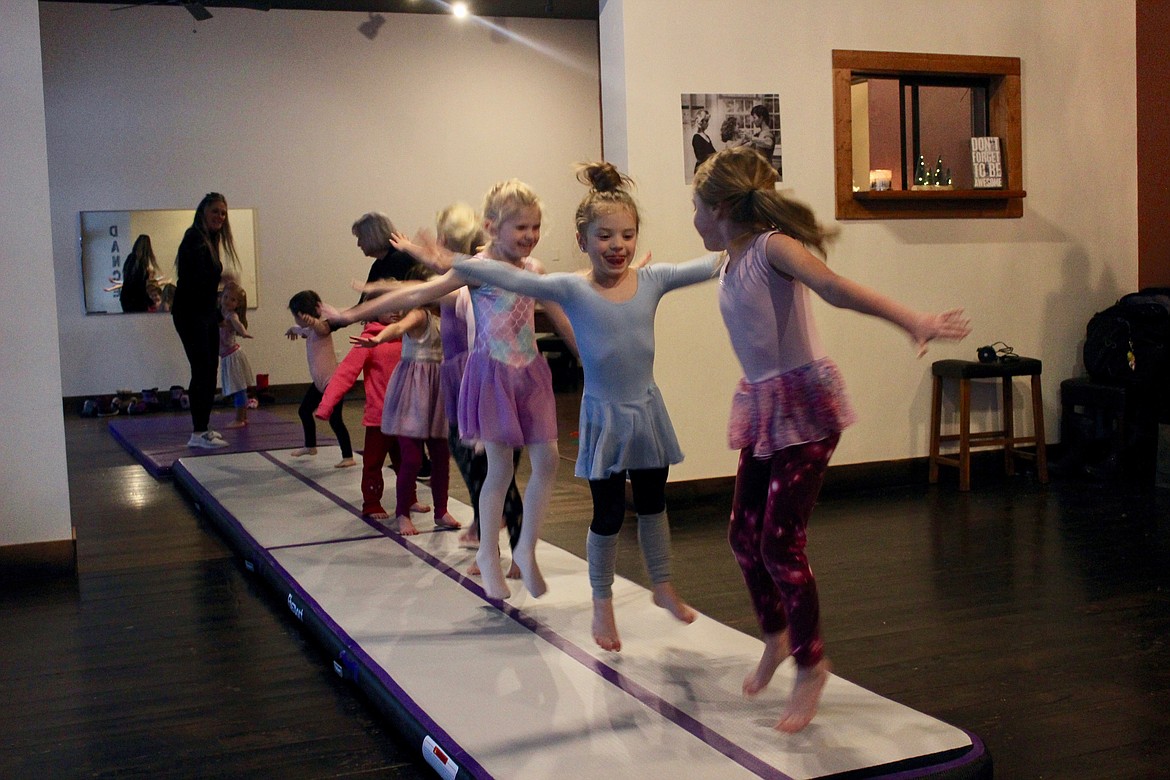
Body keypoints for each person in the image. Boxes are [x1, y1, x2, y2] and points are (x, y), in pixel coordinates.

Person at [691, 147, 971, 732]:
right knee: (743, 535)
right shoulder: (727, 261)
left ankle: (811, 664)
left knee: (779, 544)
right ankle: (775, 636)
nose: (692, 219)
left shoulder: (771, 247)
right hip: (765, 406)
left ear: (718, 208)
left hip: (806, 407)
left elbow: (834, 287)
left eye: (695, 207)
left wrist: (911, 319)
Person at [428, 162, 721, 652]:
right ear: (582, 240)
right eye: (604, 236)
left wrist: (757, 235)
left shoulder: (651, 280)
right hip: (597, 414)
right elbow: (490, 274)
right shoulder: (570, 285)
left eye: (627, 235)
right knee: (607, 513)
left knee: (653, 502)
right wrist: (432, 262)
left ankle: (663, 584)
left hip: (647, 412)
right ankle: (600, 603)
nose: (618, 245)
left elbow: (710, 265)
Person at [324, 179, 576, 602]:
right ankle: (489, 555)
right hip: (493, 373)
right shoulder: (475, 269)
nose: (530, 236)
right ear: (491, 227)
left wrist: (589, 357)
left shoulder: (534, 270)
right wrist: (349, 315)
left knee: (548, 460)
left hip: (530, 373)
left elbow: (561, 316)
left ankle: (525, 549)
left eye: (535, 227)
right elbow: (419, 292)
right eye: (521, 228)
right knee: (499, 469)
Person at [433, 203, 524, 574]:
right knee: (486, 472)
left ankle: (513, 551)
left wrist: (386, 290)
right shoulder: (461, 276)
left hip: (484, 379)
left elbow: (428, 295)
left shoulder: (472, 278)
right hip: (464, 381)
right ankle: (491, 540)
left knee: (495, 473)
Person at [350, 280, 461, 535]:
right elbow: (399, 327)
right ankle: (402, 512)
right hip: (415, 389)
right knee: (411, 457)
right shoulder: (419, 314)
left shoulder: (445, 316)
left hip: (438, 389)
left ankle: (441, 510)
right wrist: (378, 338)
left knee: (441, 455)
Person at [314, 294, 427, 521]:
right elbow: (345, 373)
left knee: (407, 460)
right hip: (379, 417)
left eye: (399, 306)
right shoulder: (369, 340)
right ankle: (372, 502)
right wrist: (326, 405)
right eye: (388, 307)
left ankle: (409, 497)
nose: (395, 312)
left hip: (405, 416)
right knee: (373, 462)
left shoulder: (408, 336)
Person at [171, 192, 239, 449]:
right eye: (215, 211)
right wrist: (219, 283)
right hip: (191, 312)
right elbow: (195, 280)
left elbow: (203, 281)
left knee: (210, 369)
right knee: (202, 369)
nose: (220, 217)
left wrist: (217, 313)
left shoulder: (209, 240)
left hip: (203, 312)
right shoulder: (194, 239)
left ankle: (202, 427)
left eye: (223, 213)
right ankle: (198, 431)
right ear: (203, 212)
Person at [285, 290, 355, 469]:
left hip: (333, 384)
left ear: (303, 315)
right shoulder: (309, 330)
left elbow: (321, 328)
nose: (295, 319)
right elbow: (301, 330)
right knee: (304, 411)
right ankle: (310, 446)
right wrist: (292, 329)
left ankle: (348, 456)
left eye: (295, 316)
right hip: (319, 384)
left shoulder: (321, 328)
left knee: (335, 420)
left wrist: (313, 321)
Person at [218, 282, 254, 429]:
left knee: (239, 389)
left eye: (232, 299)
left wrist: (243, 332)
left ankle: (240, 418)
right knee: (239, 388)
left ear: (238, 304)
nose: (227, 301)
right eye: (225, 297)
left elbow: (238, 324)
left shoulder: (231, 315)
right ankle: (243, 417)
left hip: (233, 356)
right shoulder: (219, 313)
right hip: (228, 357)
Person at [120, 234, 159, 313]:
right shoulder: (142, 265)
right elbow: (140, 288)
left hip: (126, 297)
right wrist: (150, 302)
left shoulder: (130, 259)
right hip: (137, 299)